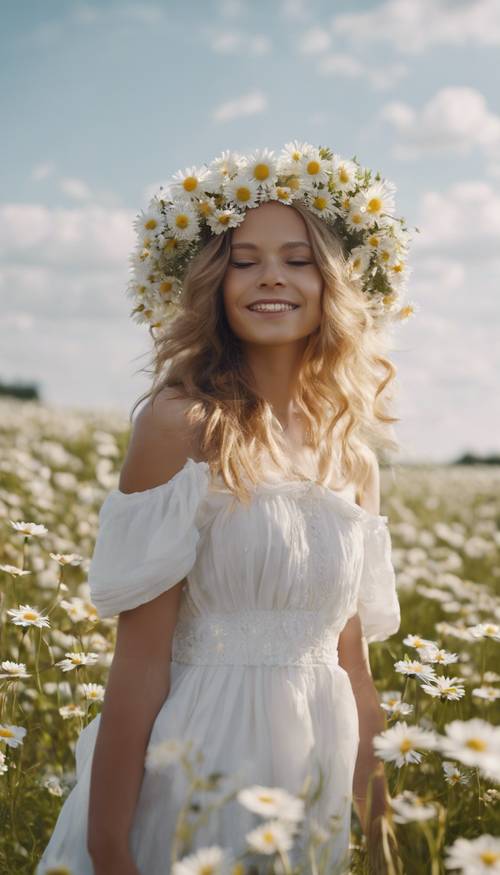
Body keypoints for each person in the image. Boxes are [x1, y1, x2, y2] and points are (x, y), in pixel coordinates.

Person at [36, 143, 411, 875]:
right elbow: (139, 660)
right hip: (196, 768)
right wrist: (109, 849)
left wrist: (386, 837)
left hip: (313, 783)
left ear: (333, 280)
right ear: (214, 282)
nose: (272, 274)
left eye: (299, 257)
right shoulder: (179, 425)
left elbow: (352, 666)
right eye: (245, 259)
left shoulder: (353, 457)